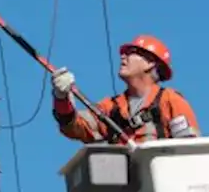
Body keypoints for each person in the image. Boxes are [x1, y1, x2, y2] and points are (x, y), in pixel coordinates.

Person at [51, 34, 200, 145]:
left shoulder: (170, 101)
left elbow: (189, 152)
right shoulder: (111, 107)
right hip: (124, 185)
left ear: (150, 63)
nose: (123, 56)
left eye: (132, 52)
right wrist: (61, 97)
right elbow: (74, 127)